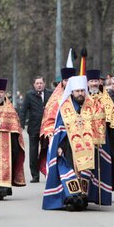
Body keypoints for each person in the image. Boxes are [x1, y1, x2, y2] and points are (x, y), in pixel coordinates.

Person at [42, 74, 96, 211]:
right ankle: (71, 199)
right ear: (72, 91)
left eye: (82, 91)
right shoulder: (65, 107)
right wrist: (59, 146)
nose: (80, 94)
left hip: (87, 148)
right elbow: (59, 129)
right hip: (68, 147)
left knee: (83, 173)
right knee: (69, 172)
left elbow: (97, 125)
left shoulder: (91, 106)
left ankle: (82, 198)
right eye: (77, 91)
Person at [86, 69, 114, 204]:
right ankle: (87, 193)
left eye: (96, 81)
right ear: (87, 83)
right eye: (91, 81)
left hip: (103, 138)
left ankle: (101, 194)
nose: (94, 83)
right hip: (86, 138)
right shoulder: (83, 96)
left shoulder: (105, 97)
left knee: (102, 165)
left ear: (99, 82)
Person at [0, 77, 25, 200]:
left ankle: (3, 189)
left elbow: (15, 125)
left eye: (1, 92)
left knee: (8, 162)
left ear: (4, 93)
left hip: (7, 142)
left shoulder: (10, 108)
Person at [18, 75, 51, 182]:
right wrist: (21, 125)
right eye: (37, 83)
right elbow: (23, 110)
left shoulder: (50, 94)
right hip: (34, 127)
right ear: (34, 85)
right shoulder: (29, 95)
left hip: (47, 127)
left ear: (44, 84)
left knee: (47, 150)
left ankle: (48, 172)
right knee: (33, 151)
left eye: (41, 83)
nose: (39, 85)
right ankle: (35, 175)